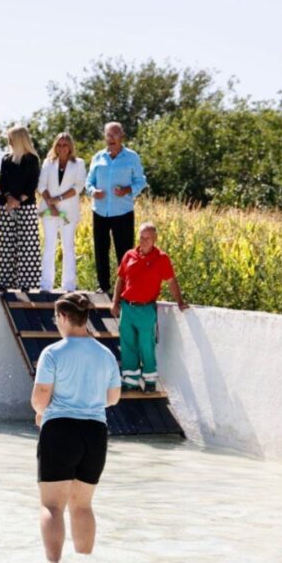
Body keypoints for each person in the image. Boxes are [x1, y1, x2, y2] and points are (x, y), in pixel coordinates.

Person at [31, 293, 122, 563]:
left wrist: (41, 414)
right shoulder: (105, 354)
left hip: (60, 431)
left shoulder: (53, 353)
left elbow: (39, 399)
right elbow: (113, 398)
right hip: (95, 434)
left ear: (62, 317)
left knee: (52, 506)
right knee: (82, 505)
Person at [111, 223, 189, 392]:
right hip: (128, 307)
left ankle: (150, 380)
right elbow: (120, 279)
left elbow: (171, 281)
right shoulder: (129, 255)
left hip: (146, 309)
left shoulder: (162, 258)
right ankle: (130, 380)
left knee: (147, 344)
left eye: (147, 238)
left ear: (155, 239)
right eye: (141, 237)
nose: (143, 241)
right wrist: (115, 302)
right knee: (128, 344)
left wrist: (180, 302)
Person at [85, 122, 147, 294]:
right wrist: (93, 191)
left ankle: (127, 288)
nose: (111, 138)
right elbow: (89, 181)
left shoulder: (132, 157)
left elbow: (141, 181)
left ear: (122, 136)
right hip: (100, 211)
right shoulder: (98, 157)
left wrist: (127, 190)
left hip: (123, 212)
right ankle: (103, 286)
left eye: (115, 134)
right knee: (101, 250)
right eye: (108, 135)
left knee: (125, 252)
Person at [0, 126, 41, 293]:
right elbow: (2, 182)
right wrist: (9, 198)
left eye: (11, 138)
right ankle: (2, 281)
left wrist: (18, 200)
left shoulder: (32, 160)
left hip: (26, 207)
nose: (9, 141)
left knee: (27, 244)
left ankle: (26, 283)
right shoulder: (6, 159)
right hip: (7, 205)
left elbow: (32, 186)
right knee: (4, 244)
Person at [38, 132, 86, 293]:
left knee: (68, 246)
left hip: (68, 212)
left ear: (70, 147)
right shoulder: (48, 162)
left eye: (65, 144)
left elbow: (78, 187)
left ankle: (69, 286)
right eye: (58, 145)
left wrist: (58, 199)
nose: (62, 148)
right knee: (49, 246)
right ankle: (46, 285)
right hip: (49, 211)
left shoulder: (78, 163)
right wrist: (51, 205)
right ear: (55, 146)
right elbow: (42, 186)